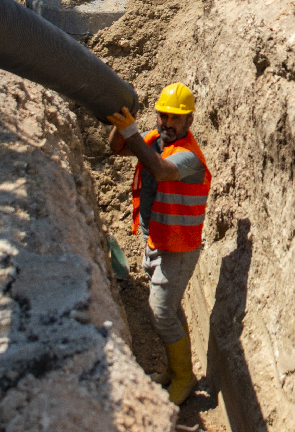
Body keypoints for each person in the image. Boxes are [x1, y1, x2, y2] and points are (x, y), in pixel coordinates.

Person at [108, 82, 211, 405]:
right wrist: (121, 125)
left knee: (161, 312)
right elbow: (117, 148)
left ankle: (183, 377)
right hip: (157, 239)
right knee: (170, 309)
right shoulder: (155, 140)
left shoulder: (188, 157)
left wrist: (133, 131)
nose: (167, 123)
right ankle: (173, 369)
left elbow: (159, 170)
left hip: (179, 248)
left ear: (189, 122)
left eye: (175, 118)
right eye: (163, 116)